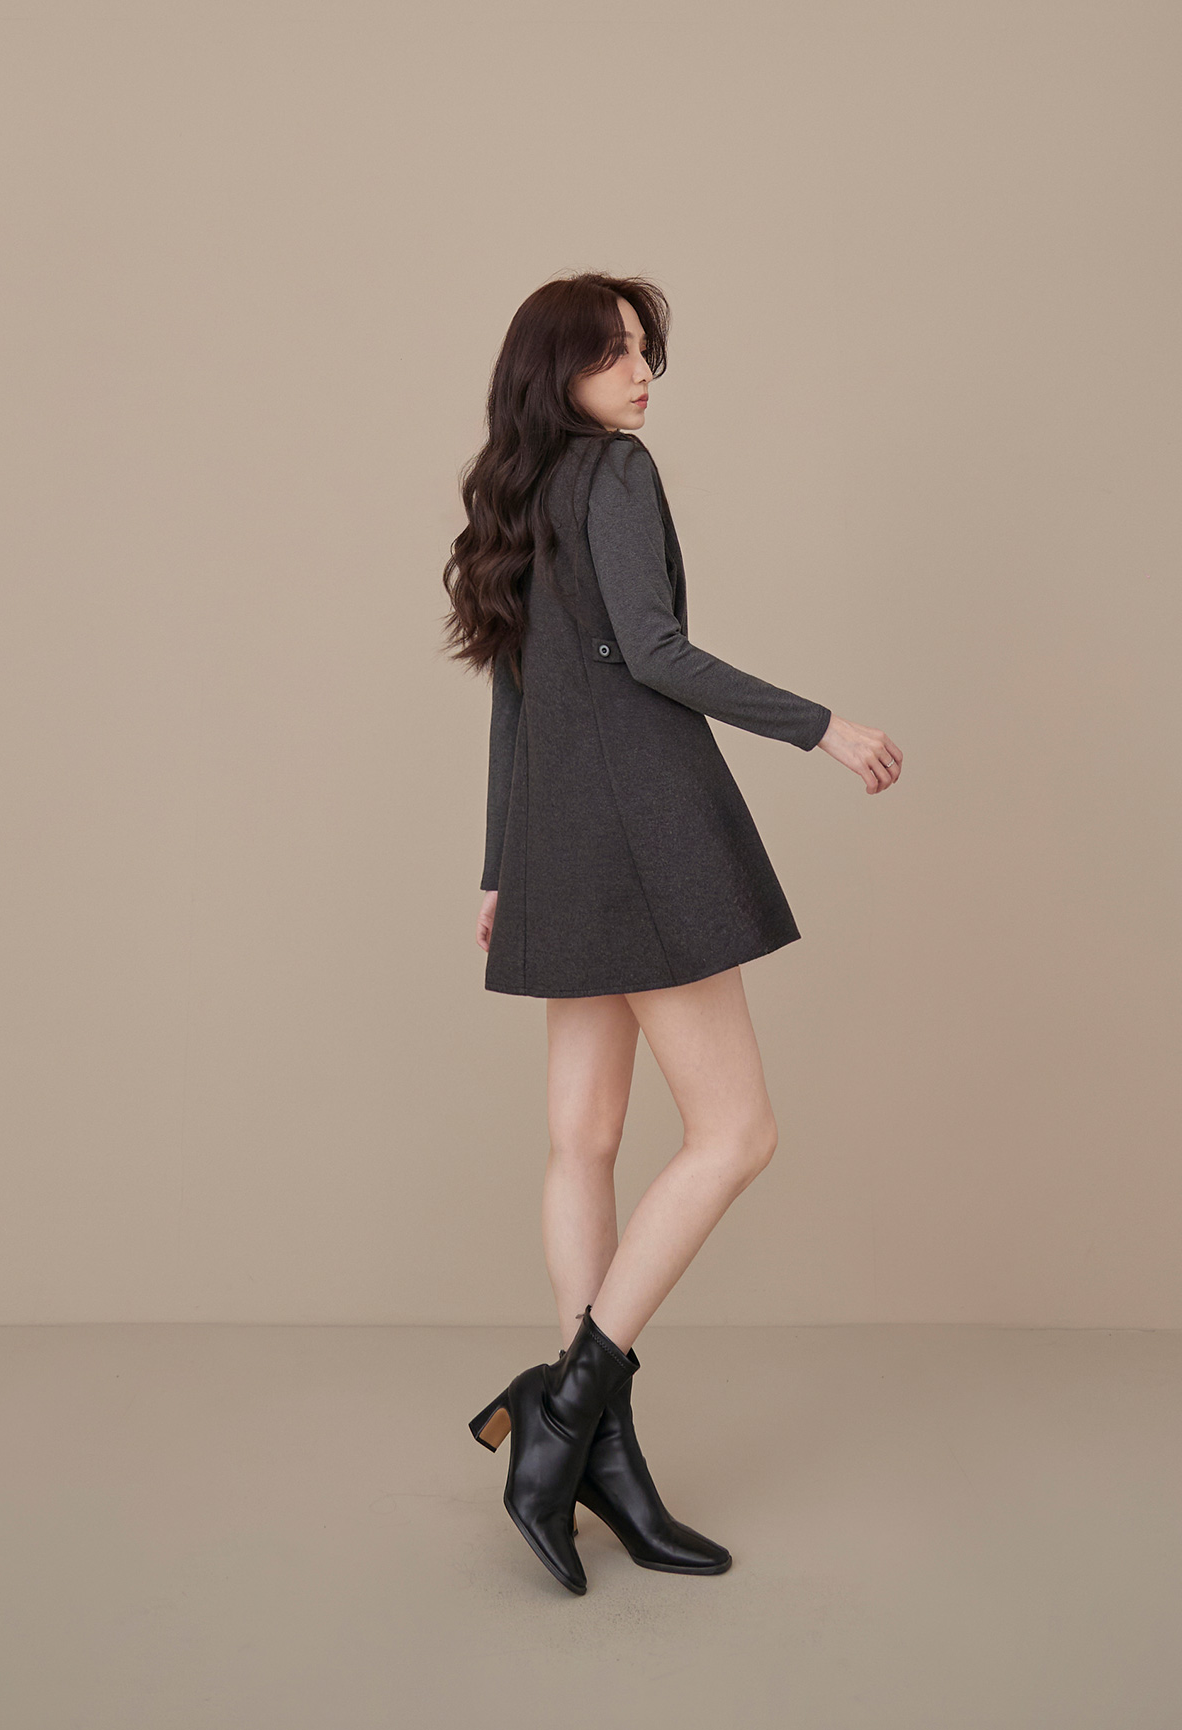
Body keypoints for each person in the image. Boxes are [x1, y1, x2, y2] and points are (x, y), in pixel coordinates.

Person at [440, 271, 902, 1595]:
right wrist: (821, 726)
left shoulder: (518, 491)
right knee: (735, 1133)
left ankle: (596, 1456)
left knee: (582, 1139)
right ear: (558, 370)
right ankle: (560, 1410)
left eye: (647, 351)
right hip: (642, 828)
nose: (642, 375)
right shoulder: (615, 472)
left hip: (560, 841)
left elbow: (514, 697)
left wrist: (502, 864)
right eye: (615, 354)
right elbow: (651, 648)